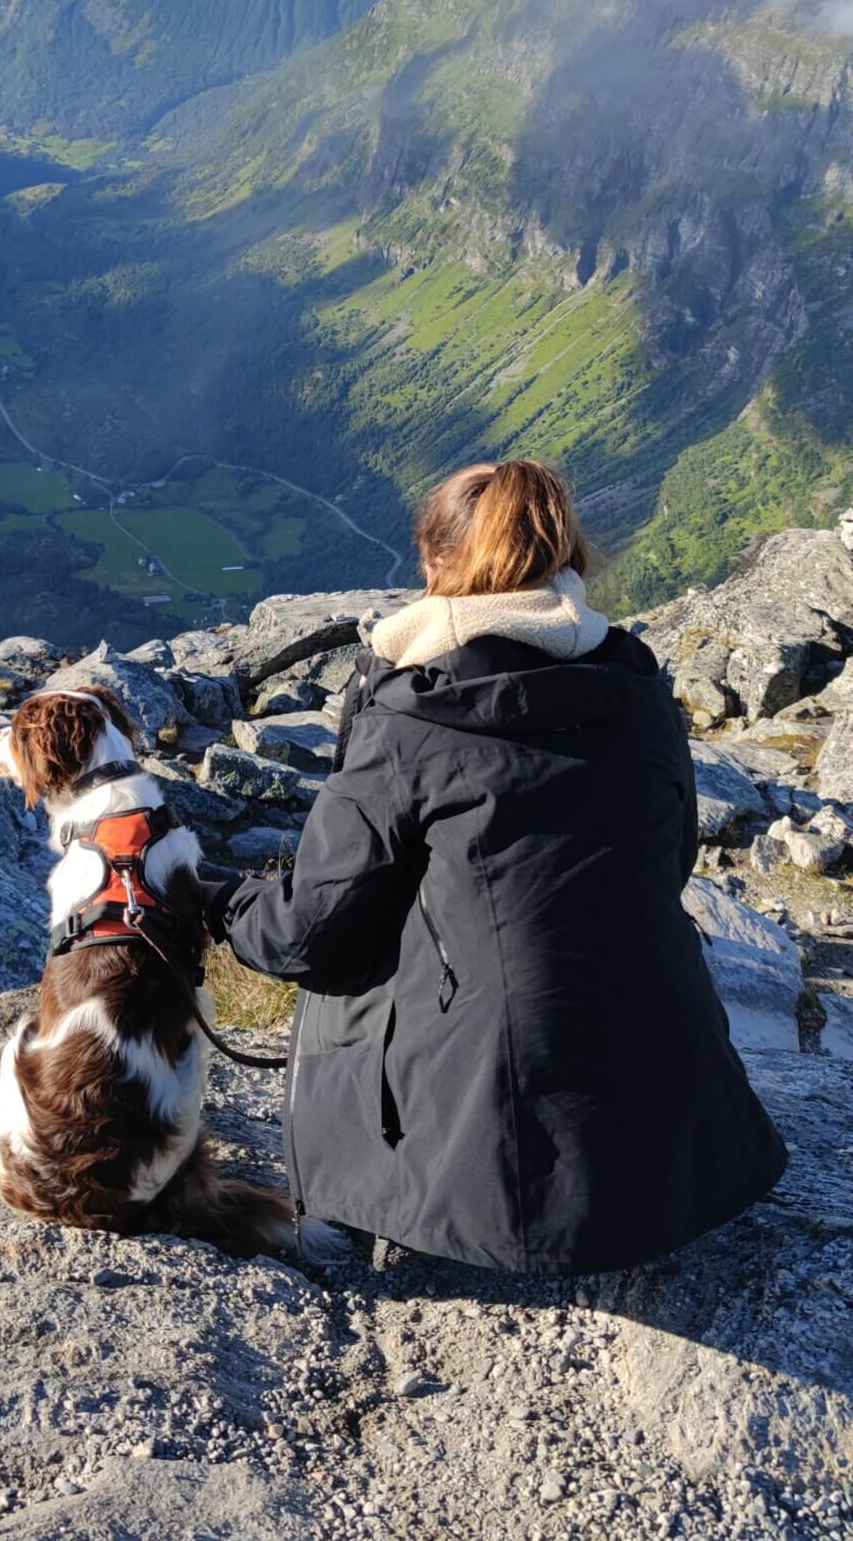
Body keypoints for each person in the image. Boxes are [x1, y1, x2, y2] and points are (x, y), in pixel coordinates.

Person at [208, 459, 787, 1272]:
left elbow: (310, 934)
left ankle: (361, 1200)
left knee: (352, 975)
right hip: (678, 1144)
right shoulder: (637, 685)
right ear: (564, 559)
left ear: (434, 563)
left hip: (504, 1176)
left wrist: (216, 905)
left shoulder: (413, 714)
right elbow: (672, 857)